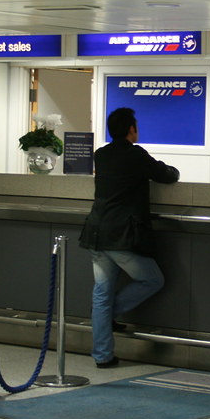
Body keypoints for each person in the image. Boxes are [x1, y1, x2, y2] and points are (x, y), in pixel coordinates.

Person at [79, 107, 180, 368]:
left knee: (101, 293)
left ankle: (103, 355)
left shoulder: (101, 155)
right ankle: (107, 314)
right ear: (131, 129)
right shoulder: (135, 154)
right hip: (121, 235)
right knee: (152, 279)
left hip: (96, 232)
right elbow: (166, 175)